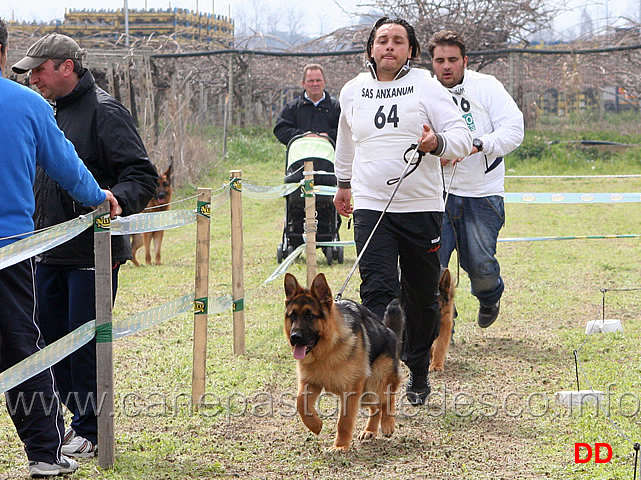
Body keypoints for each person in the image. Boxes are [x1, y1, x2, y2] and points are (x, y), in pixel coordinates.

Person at [12, 33, 158, 458]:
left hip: (91, 255)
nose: (33, 78)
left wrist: (112, 204)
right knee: (48, 344)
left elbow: (141, 176)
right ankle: (77, 424)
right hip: (47, 251)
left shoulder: (105, 112)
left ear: (66, 67)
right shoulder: (47, 112)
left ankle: (92, 431)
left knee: (87, 349)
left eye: (39, 69)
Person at [0, 19, 120, 477]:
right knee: (21, 349)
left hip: (14, 248)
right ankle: (46, 454)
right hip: (9, 251)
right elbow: (66, 164)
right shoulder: (29, 105)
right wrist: (99, 198)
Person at [333, 17, 472, 406]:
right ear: (371, 48)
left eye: (398, 41)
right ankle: (380, 372)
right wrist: (343, 184)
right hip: (371, 206)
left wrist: (436, 141)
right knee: (378, 292)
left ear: (410, 50)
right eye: (382, 41)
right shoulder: (353, 90)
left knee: (421, 298)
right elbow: (346, 140)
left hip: (421, 207)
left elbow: (461, 136)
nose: (389, 47)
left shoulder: (426, 86)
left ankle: (419, 368)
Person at [428, 30, 524, 328]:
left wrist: (476, 145)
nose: (446, 66)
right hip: (435, 193)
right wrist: (433, 152)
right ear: (431, 63)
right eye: (440, 60)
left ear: (465, 61)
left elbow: (513, 130)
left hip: (482, 193)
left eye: (453, 60)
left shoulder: (487, 87)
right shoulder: (423, 92)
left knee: (480, 265)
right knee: (432, 268)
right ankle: (442, 323)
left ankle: (489, 295)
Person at [273, 63, 340, 145]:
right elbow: (280, 130)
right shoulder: (292, 108)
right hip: (299, 155)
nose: (315, 84)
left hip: (330, 156)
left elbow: (347, 130)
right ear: (303, 83)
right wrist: (302, 136)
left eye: (318, 80)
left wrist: (328, 136)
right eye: (311, 81)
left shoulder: (337, 108)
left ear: (324, 82)